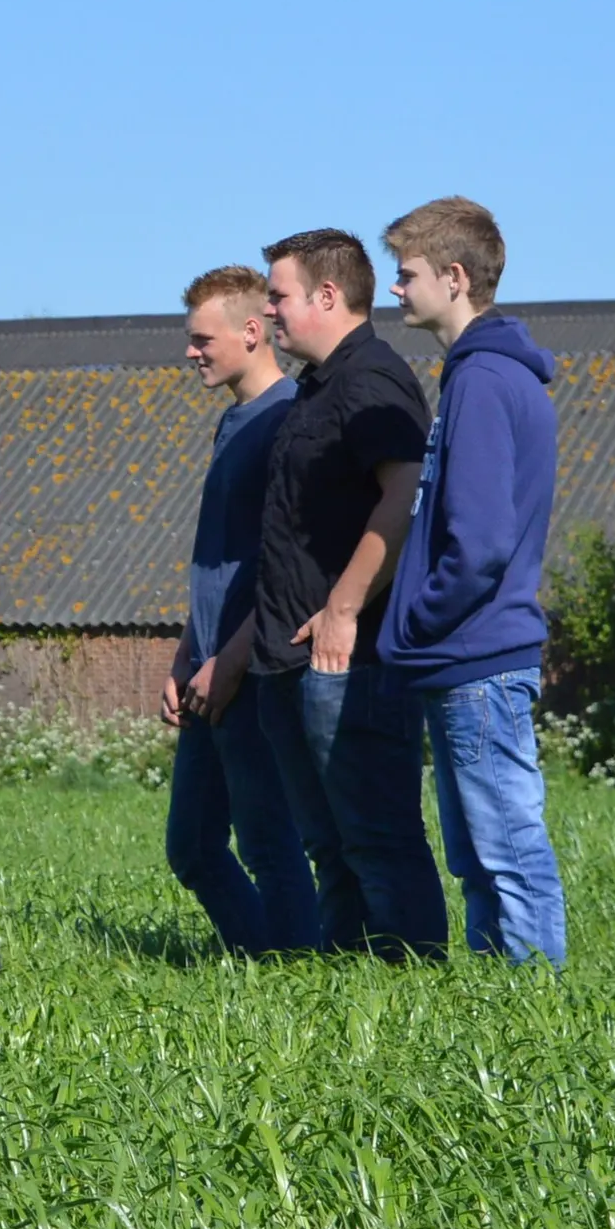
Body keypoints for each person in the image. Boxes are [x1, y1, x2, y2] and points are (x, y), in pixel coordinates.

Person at [377, 197, 568, 963]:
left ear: (454, 278)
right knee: (480, 855)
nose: (395, 290)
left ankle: (532, 1022)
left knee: (505, 849)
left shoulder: (484, 380)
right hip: (470, 655)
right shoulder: (479, 375)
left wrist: (419, 619)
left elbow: (480, 542)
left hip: (476, 656)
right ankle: (501, 1013)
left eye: (407, 274)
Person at [248, 228, 444, 959]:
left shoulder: (371, 381)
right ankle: (351, 1003)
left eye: (279, 295)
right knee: (330, 847)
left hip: (348, 663)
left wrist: (343, 608)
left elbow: (404, 494)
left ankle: (410, 994)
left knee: (377, 840)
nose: (269, 311)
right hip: (293, 661)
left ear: (327, 296)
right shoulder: (318, 386)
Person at [157, 266, 316, 955]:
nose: (191, 352)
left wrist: (230, 659)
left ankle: (298, 978)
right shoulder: (231, 422)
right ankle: (264, 961)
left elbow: (286, 567)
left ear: (252, 332)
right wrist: (188, 649)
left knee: (268, 842)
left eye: (202, 338)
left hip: (252, 669)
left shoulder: (289, 420)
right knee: (192, 845)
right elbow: (218, 556)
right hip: (207, 666)